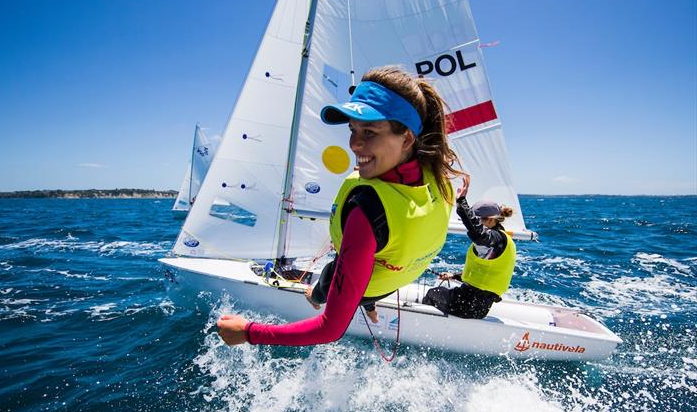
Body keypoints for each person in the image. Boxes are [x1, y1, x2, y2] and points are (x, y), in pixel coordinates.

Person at [216, 66, 465, 347]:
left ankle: (323, 296)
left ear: (407, 138)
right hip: (393, 277)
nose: (354, 144)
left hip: (369, 282)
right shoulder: (439, 179)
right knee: (355, 272)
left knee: (330, 276)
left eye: (369, 131)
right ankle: (365, 302)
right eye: (353, 129)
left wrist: (248, 332)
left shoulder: (368, 211)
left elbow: (329, 329)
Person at [421, 175, 517, 319]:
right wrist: (454, 276)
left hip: (468, 305)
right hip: (478, 306)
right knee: (444, 292)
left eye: (477, 220)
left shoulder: (495, 239)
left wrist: (461, 203)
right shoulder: (500, 241)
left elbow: (478, 234)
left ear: (490, 220)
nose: (474, 224)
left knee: (433, 293)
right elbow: (482, 276)